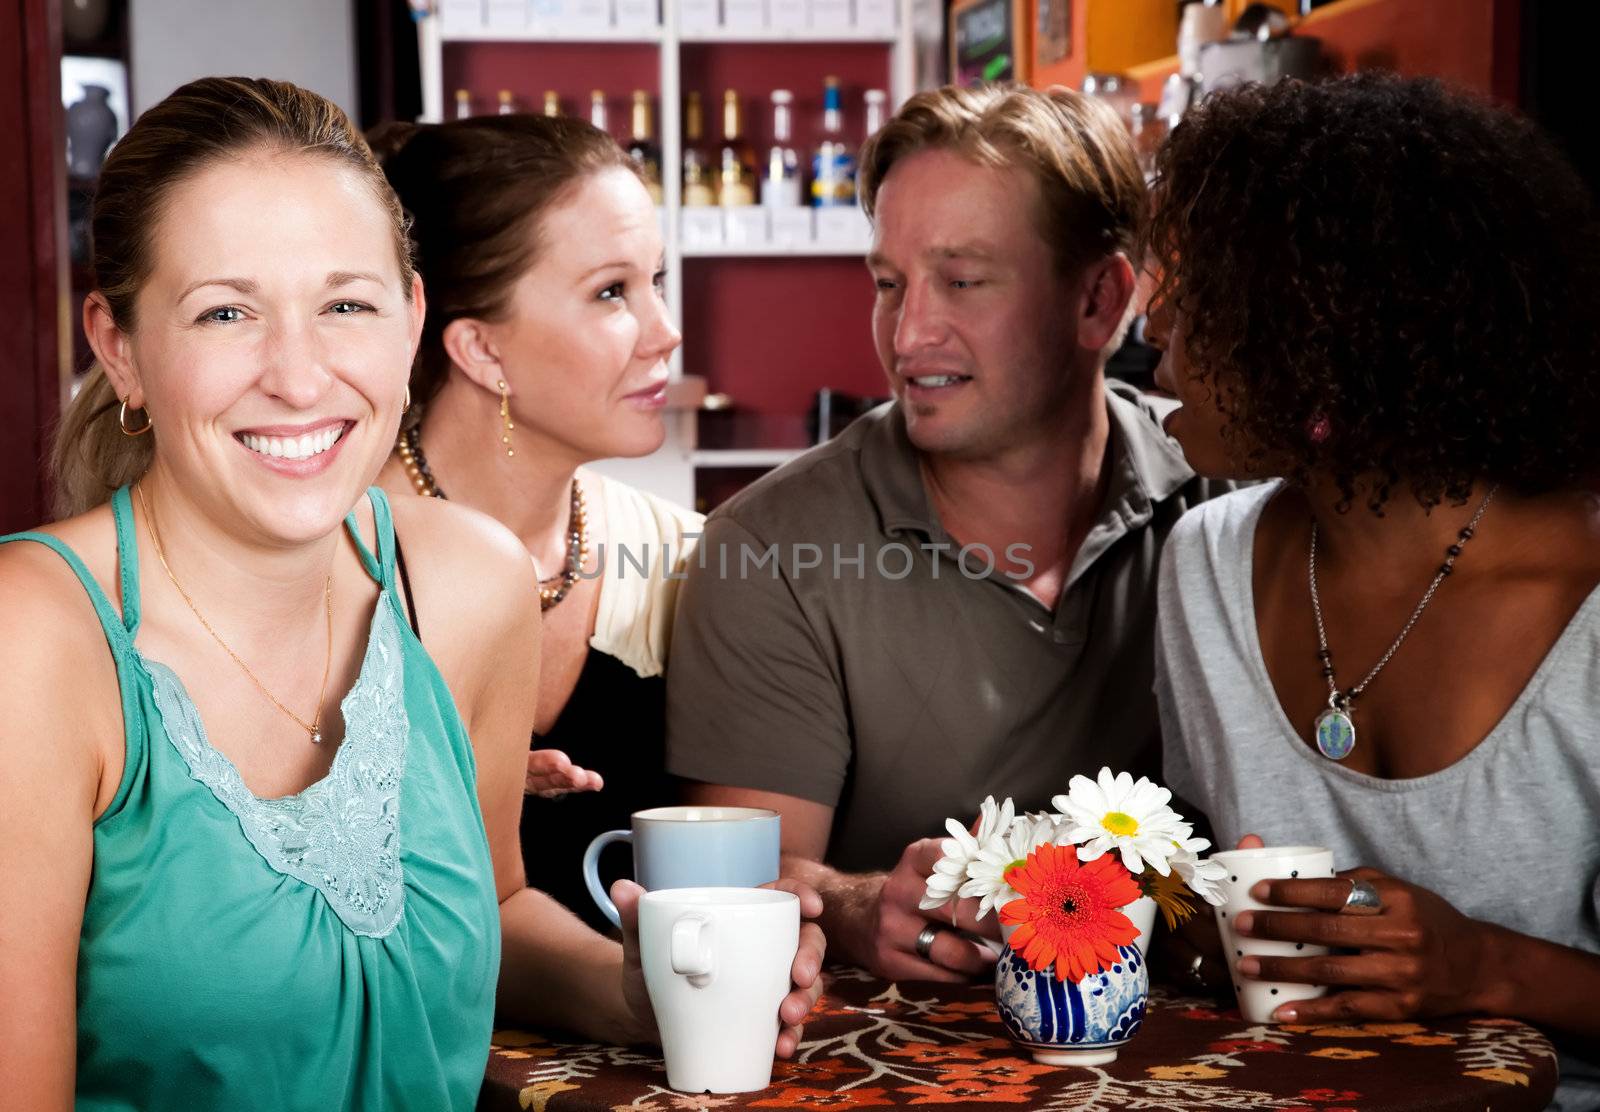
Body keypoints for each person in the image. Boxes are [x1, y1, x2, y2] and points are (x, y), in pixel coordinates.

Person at [0, 76, 820, 1110]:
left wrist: (641, 987)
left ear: (413, 320)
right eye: (225, 312)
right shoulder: (31, 636)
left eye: (346, 304)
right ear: (119, 347)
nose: (299, 377)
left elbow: (496, 903)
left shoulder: (471, 585)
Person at [665, 82, 1229, 982]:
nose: (909, 330)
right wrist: (859, 911)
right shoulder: (768, 547)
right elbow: (735, 892)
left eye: (962, 281)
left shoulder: (1227, 505)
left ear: (1100, 301)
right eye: (889, 283)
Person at [1146, 74, 1600, 1109]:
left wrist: (1481, 964)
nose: (1155, 320)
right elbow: (1194, 918)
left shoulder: (1587, 603)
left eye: (1201, 288)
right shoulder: (1202, 564)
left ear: (1328, 345)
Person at [370, 116, 702, 933]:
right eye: (612, 292)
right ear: (481, 350)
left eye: (656, 281)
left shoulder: (689, 559)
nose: (666, 333)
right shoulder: (330, 556)